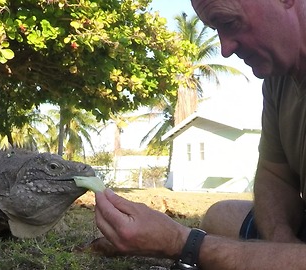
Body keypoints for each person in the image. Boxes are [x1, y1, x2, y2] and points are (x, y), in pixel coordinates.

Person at [94, 0, 306, 269]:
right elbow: (275, 173)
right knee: (221, 216)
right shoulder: (278, 78)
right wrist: (280, 242)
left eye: (230, 23)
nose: (226, 49)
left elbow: (186, 243)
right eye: (216, 29)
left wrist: (182, 242)